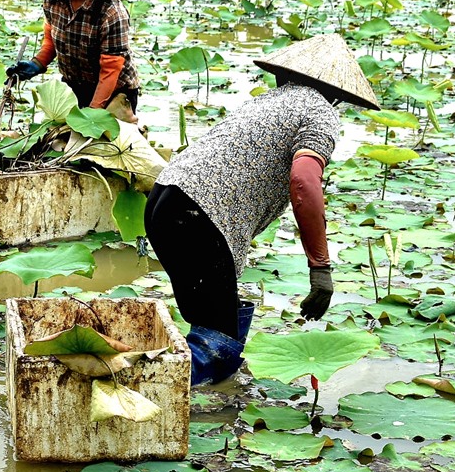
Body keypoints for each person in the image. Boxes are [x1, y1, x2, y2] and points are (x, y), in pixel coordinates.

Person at [144, 33, 381, 385]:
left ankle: (207, 397)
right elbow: (304, 180)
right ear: (339, 94)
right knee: (216, 346)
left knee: (214, 324)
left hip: (163, 203)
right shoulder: (321, 113)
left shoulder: (267, 102)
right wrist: (320, 268)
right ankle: (141, 391)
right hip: (198, 216)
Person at [6, 0, 140, 123]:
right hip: (74, 85)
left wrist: (93, 113)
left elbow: (110, 71)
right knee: (65, 144)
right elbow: (52, 38)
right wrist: (37, 64)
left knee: (102, 146)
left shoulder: (111, 13)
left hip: (114, 91)